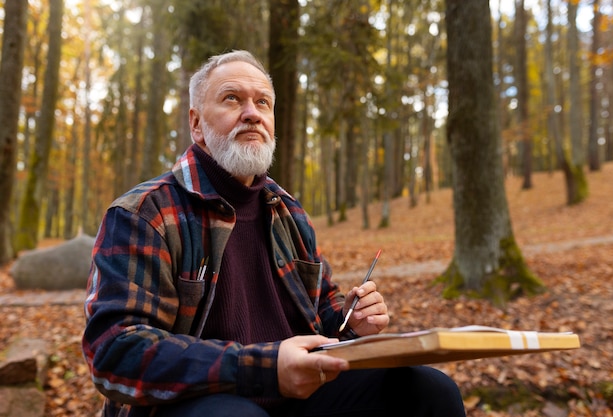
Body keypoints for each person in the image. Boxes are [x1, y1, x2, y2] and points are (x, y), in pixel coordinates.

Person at [82, 49, 467, 417]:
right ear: (196, 124)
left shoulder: (286, 211)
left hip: (299, 398)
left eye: (263, 103)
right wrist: (262, 368)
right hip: (194, 403)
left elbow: (322, 313)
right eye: (232, 99)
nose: (252, 114)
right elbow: (116, 350)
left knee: (430, 392)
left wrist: (353, 322)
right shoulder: (145, 213)